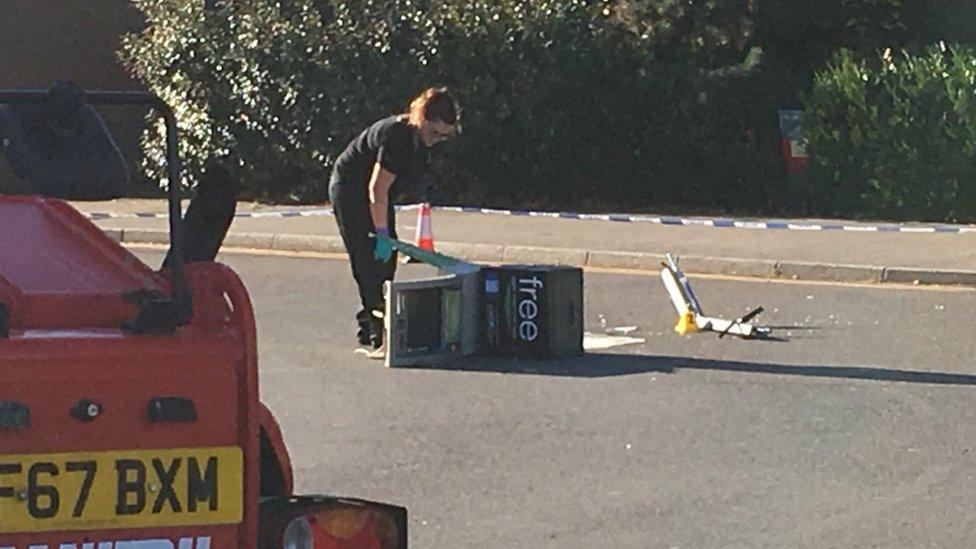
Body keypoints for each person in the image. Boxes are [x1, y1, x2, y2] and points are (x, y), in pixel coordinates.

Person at [329, 87, 460, 355]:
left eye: (444, 136)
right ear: (421, 118)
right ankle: (375, 329)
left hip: (377, 195)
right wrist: (381, 233)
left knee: (386, 263)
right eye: (434, 132)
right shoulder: (398, 137)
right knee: (367, 258)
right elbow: (377, 188)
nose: (437, 140)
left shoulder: (420, 142)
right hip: (351, 190)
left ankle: (379, 321)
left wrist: (386, 235)